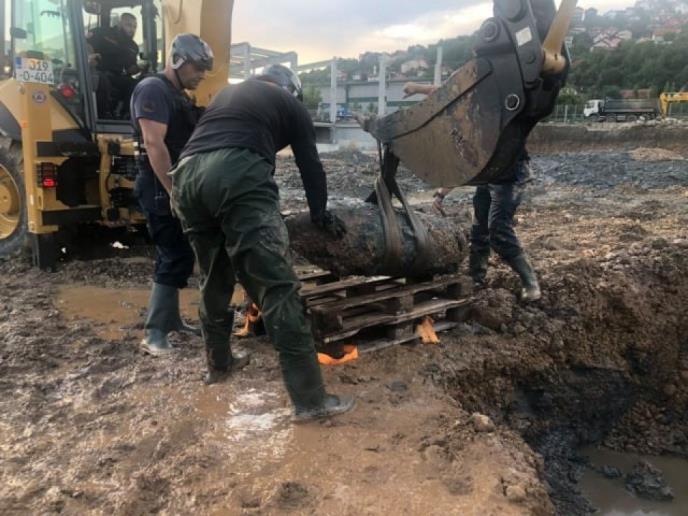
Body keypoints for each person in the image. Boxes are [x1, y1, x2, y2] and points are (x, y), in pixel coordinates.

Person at [170, 64, 355, 421]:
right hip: (234, 170)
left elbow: (209, 143)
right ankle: (311, 401)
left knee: (214, 277)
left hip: (187, 177)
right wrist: (319, 214)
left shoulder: (227, 95)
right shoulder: (291, 104)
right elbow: (310, 165)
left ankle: (219, 366)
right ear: (290, 89)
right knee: (277, 286)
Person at [404, 82, 542, 302]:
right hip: (488, 177)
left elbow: (454, 93)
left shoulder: (493, 109)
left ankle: (530, 281)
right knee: (479, 229)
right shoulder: (464, 128)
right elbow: (463, 165)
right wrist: (441, 194)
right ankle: (476, 277)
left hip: (511, 177)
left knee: (499, 230)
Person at [130, 33, 214, 355]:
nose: (202, 74)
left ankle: (172, 320)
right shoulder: (152, 89)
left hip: (174, 184)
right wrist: (173, 191)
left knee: (181, 253)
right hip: (158, 186)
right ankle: (154, 333)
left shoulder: (178, 95)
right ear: (178, 61)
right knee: (173, 254)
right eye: (198, 67)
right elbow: (154, 144)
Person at [88, 13, 140, 117]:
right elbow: (86, 43)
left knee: (136, 84)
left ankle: (126, 114)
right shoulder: (102, 33)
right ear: (119, 24)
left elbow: (130, 69)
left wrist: (140, 67)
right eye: (128, 25)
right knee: (102, 81)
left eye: (134, 27)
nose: (132, 29)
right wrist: (89, 55)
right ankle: (102, 115)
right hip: (98, 72)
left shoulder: (133, 47)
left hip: (117, 76)